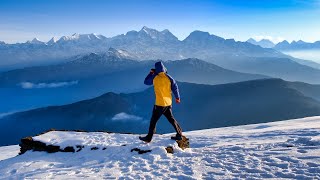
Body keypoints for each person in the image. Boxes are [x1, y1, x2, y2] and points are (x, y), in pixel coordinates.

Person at [139, 61, 183, 143]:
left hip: (159, 104)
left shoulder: (155, 77)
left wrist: (151, 73)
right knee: (171, 119)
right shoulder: (169, 77)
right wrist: (177, 97)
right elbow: (175, 88)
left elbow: (146, 82)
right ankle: (179, 134)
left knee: (153, 120)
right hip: (168, 103)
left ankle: (149, 138)